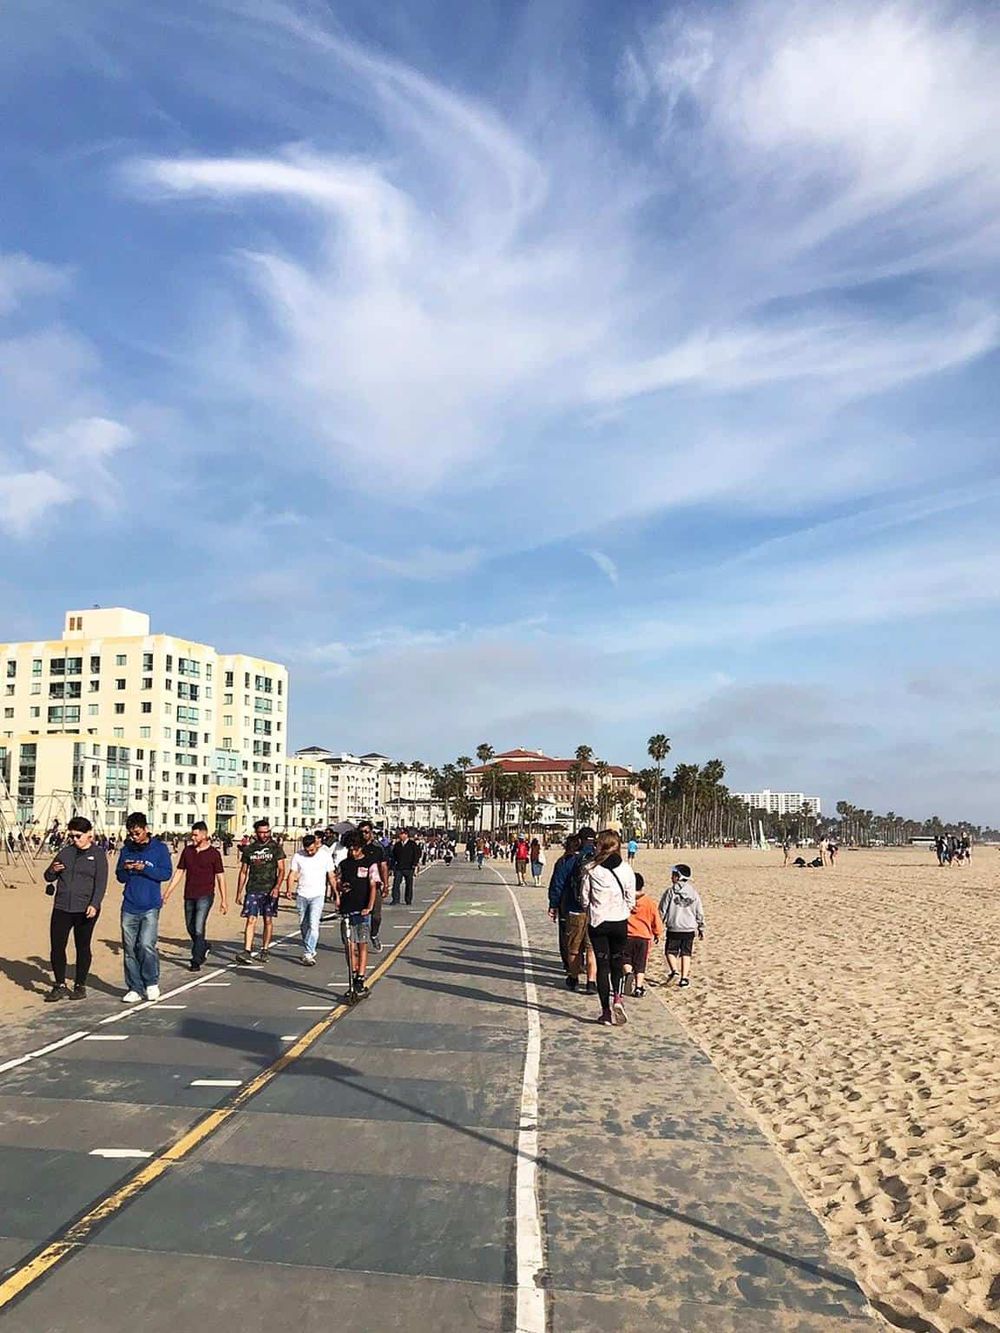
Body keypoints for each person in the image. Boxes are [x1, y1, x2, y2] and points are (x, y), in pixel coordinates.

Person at [43, 815, 108, 1002]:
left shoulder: (97, 855)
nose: (75, 839)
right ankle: (59, 985)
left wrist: (94, 904)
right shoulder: (65, 852)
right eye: (72, 835)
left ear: (89, 834)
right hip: (62, 907)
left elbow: (101, 883)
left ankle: (80, 985)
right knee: (57, 946)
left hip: (85, 908)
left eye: (78, 835)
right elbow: (47, 877)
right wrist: (53, 871)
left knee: (82, 946)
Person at [579, 829, 635, 1025]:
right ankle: (618, 998)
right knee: (617, 962)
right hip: (619, 921)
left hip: (599, 922)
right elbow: (631, 898)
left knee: (602, 966)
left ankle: (605, 1012)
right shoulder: (627, 869)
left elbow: (584, 898)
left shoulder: (590, 869)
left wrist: (592, 908)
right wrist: (623, 909)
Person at [116, 812, 172, 1003]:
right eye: (131, 834)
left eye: (137, 833)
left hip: (150, 905)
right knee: (129, 948)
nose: (134, 837)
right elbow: (120, 877)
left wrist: (145, 868)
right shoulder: (126, 850)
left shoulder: (160, 849)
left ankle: (151, 983)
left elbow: (166, 873)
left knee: (146, 945)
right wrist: (127, 868)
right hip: (129, 905)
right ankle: (134, 987)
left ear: (145, 829)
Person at [163, 821, 227, 972]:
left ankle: (196, 959)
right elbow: (179, 872)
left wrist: (224, 900)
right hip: (189, 894)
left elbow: (220, 877)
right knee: (190, 927)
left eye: (195, 834)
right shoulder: (187, 851)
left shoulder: (214, 854)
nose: (193, 837)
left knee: (199, 926)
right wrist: (167, 892)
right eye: (192, 834)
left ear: (204, 835)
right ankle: (203, 945)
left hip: (205, 895)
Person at [334, 833, 380, 999]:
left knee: (362, 944)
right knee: (348, 945)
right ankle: (353, 977)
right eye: (350, 849)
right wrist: (340, 889)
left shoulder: (370, 863)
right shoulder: (344, 864)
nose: (353, 852)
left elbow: (373, 886)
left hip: (362, 910)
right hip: (347, 908)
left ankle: (360, 978)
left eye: (356, 849)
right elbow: (337, 882)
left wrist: (369, 906)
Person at [235, 819, 286, 965]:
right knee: (251, 919)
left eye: (267, 832)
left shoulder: (275, 848)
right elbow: (243, 871)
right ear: (256, 832)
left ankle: (265, 949)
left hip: (269, 890)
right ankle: (247, 950)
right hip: (253, 888)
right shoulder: (250, 849)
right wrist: (239, 892)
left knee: (267, 919)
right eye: (261, 832)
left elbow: (282, 870)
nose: (264, 835)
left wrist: (277, 887)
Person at [286, 833, 335, 966]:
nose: (310, 852)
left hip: (318, 895)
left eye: (312, 849)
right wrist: (289, 889)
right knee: (304, 924)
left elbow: (331, 875)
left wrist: (336, 894)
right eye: (307, 850)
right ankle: (309, 947)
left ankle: (309, 952)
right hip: (302, 894)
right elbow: (292, 873)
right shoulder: (298, 856)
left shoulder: (325, 856)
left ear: (317, 845)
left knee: (314, 925)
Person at [562, 827, 598, 995]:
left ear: (580, 840)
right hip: (595, 911)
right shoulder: (599, 858)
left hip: (575, 909)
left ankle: (574, 978)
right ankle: (591, 982)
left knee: (574, 948)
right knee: (591, 948)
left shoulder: (572, 859)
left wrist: (555, 904)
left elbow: (560, 881)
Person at [658, 863, 705, 989]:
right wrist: (701, 926)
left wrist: (658, 925)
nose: (671, 877)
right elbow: (699, 911)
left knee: (670, 951)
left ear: (678, 876)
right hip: (689, 928)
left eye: (673, 875)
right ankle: (684, 979)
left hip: (674, 927)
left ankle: (674, 971)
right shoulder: (693, 893)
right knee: (686, 953)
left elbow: (662, 910)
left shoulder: (670, 892)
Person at [547, 834, 581, 973]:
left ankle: (569, 964)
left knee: (565, 934)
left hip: (566, 903)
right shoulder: (585, 860)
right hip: (583, 904)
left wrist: (553, 904)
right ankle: (580, 962)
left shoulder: (563, 861)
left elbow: (557, 884)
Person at [623, 871, 659, 998]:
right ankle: (638, 987)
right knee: (640, 964)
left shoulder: (625, 899)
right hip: (643, 937)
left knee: (626, 958)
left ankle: (628, 973)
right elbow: (655, 918)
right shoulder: (649, 902)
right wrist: (657, 932)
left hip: (627, 935)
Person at [357, 820, 390, 951]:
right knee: (361, 915)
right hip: (360, 884)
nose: (364, 834)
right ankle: (361, 940)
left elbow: (383, 866)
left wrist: (386, 885)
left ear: (371, 832)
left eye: (366, 832)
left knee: (376, 916)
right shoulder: (357, 847)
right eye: (361, 832)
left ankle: (374, 934)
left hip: (375, 885)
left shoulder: (378, 848)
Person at [390, 828, 421, 905]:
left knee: (409, 884)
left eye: (402, 834)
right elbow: (393, 856)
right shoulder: (397, 845)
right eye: (400, 834)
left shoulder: (412, 844)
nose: (400, 836)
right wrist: (392, 866)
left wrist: (415, 864)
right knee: (396, 884)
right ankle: (395, 899)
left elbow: (417, 854)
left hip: (409, 867)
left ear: (406, 835)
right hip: (399, 867)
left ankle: (408, 899)